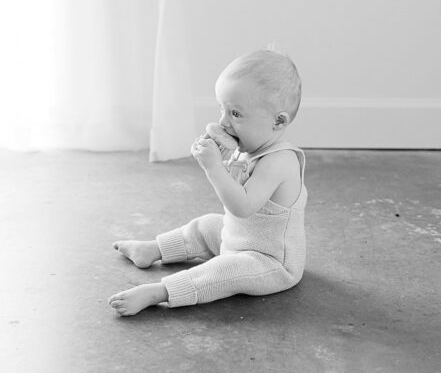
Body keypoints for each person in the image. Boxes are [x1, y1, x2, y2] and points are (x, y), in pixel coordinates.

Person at [108, 49, 306, 316]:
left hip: (268, 262)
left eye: (235, 113)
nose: (222, 121)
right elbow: (235, 188)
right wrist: (219, 161)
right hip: (239, 239)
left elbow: (243, 206)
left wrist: (213, 167)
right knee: (207, 225)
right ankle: (154, 249)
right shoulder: (249, 147)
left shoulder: (280, 161)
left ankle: (160, 292)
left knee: (226, 269)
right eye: (222, 109)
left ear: (278, 121)